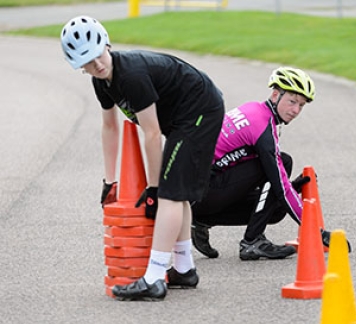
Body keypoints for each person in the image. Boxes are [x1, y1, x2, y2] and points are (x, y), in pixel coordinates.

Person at [61, 16, 225, 301]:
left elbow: (150, 134)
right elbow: (110, 127)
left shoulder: (131, 75)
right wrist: (109, 180)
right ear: (80, 68)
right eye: (87, 62)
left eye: (98, 55)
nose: (97, 64)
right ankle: (184, 269)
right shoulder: (103, 82)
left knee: (169, 194)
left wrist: (152, 188)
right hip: (179, 117)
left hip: (199, 109)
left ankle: (153, 278)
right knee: (177, 191)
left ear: (107, 44)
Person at [191, 67, 339, 260]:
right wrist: (317, 231)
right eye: (292, 101)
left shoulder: (253, 109)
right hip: (201, 192)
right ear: (276, 94)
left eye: (301, 105)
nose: (295, 110)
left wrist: (292, 187)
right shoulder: (263, 128)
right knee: (282, 163)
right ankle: (252, 242)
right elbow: (279, 186)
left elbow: (267, 185)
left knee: (276, 211)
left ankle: (201, 221)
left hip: (195, 196)